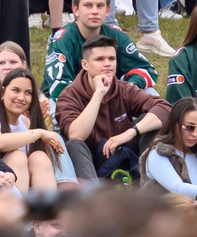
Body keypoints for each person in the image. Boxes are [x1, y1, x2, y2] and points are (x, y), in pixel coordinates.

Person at [56, 39, 167, 182]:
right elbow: (76, 135)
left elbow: (166, 109)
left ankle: (149, 185)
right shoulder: (69, 95)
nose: (107, 63)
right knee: (74, 145)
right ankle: (93, 198)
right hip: (89, 166)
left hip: (123, 155)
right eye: (100, 59)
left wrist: (131, 131)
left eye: (112, 59)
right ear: (85, 64)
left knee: (151, 121)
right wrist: (98, 94)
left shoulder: (124, 89)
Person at [44, 0, 155, 97]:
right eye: (88, 6)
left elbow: (147, 71)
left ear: (107, 10)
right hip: (74, 101)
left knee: (150, 94)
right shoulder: (63, 39)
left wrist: (129, 86)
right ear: (76, 10)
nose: (95, 11)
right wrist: (95, 97)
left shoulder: (117, 35)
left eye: (100, 6)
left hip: (114, 95)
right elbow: (58, 86)